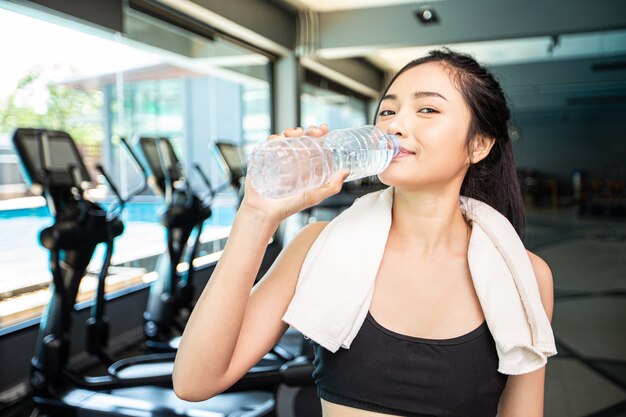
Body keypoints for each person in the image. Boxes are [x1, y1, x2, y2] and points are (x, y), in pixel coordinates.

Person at [173, 48, 554, 417]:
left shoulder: (524, 276)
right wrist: (256, 215)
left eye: (427, 109)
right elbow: (194, 382)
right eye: (388, 110)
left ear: (479, 144)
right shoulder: (318, 245)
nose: (394, 125)